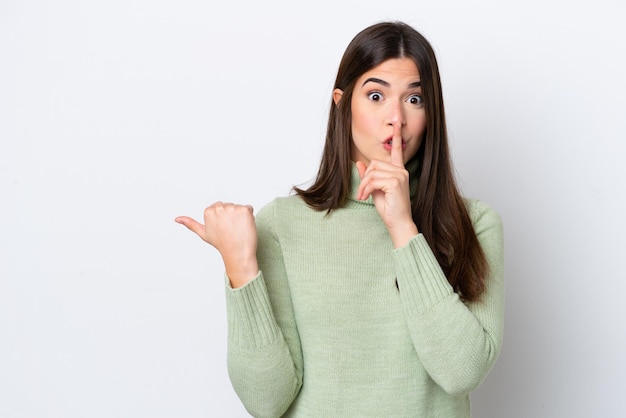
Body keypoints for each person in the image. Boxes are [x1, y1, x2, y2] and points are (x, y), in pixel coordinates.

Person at [175, 21, 504, 418]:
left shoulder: (474, 223)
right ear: (342, 102)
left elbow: (461, 371)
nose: (396, 118)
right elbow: (267, 401)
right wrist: (240, 269)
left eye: (415, 100)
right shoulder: (282, 224)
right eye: (377, 95)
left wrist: (403, 228)